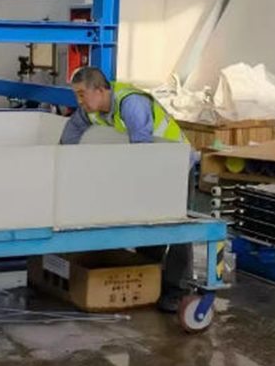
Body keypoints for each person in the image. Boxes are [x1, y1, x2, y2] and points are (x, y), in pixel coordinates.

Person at [60, 65, 195, 312]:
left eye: (81, 94)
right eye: (76, 95)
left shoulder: (131, 104)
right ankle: (150, 282)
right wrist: (61, 163)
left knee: (177, 229)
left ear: (100, 90)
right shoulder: (91, 111)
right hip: (153, 167)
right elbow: (72, 130)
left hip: (176, 166)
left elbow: (141, 151)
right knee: (149, 224)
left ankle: (177, 289)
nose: (79, 101)